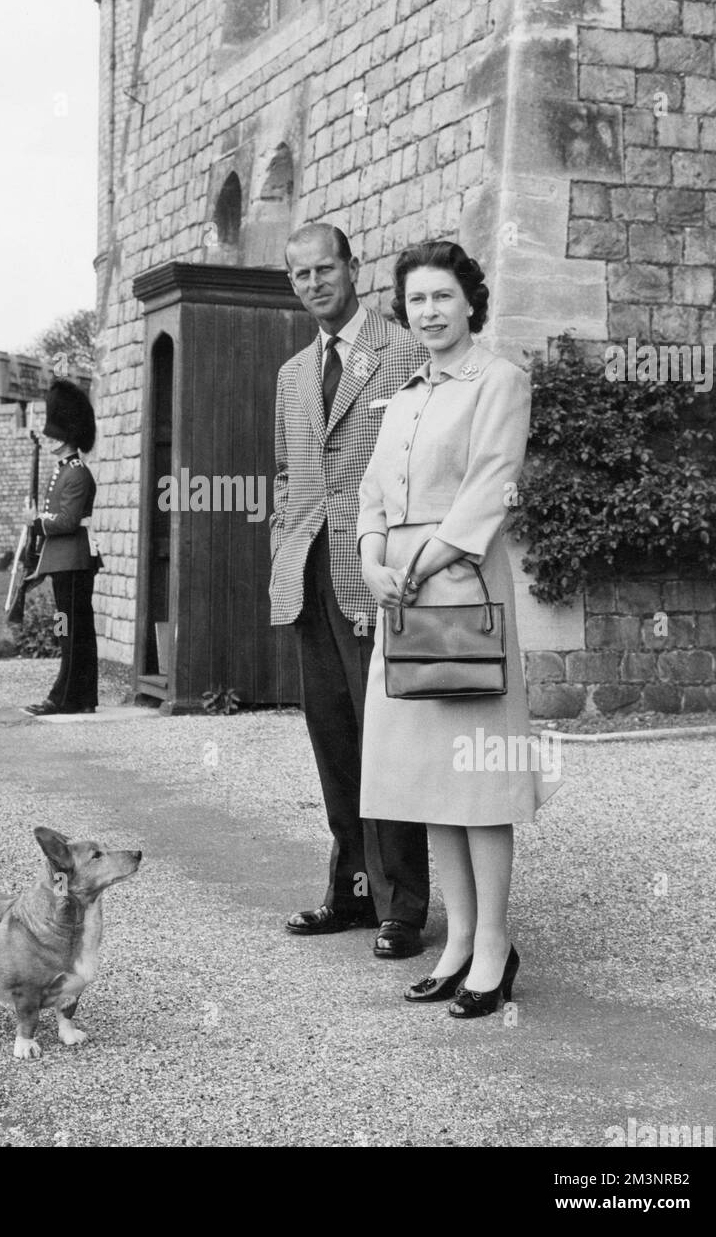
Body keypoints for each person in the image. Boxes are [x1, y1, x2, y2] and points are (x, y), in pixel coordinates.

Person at [357, 239, 556, 1016]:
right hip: (401, 594)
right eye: (416, 301)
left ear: (470, 301)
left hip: (461, 585)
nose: (429, 312)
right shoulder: (402, 395)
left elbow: (492, 485)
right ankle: (461, 939)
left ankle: (497, 946)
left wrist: (428, 560)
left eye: (442, 297)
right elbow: (373, 492)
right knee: (430, 780)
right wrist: (375, 558)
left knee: (478, 777)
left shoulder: (500, 379)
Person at [270, 222, 431, 958]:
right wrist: (283, 544)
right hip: (309, 578)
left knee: (386, 742)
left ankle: (403, 906)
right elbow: (287, 478)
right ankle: (352, 891)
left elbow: (422, 465)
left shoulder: (402, 353)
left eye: (324, 269)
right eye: (300, 275)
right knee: (333, 740)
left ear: (352, 267)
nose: (313, 285)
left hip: (375, 575)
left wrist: (398, 562)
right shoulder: (293, 375)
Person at [21, 379, 102, 716]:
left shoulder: (77, 473)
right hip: (62, 560)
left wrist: (36, 521)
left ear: (68, 436)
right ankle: (81, 696)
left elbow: (66, 521)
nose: (49, 438)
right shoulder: (64, 471)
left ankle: (64, 696)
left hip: (73, 559)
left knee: (71, 629)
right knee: (70, 629)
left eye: (55, 433)